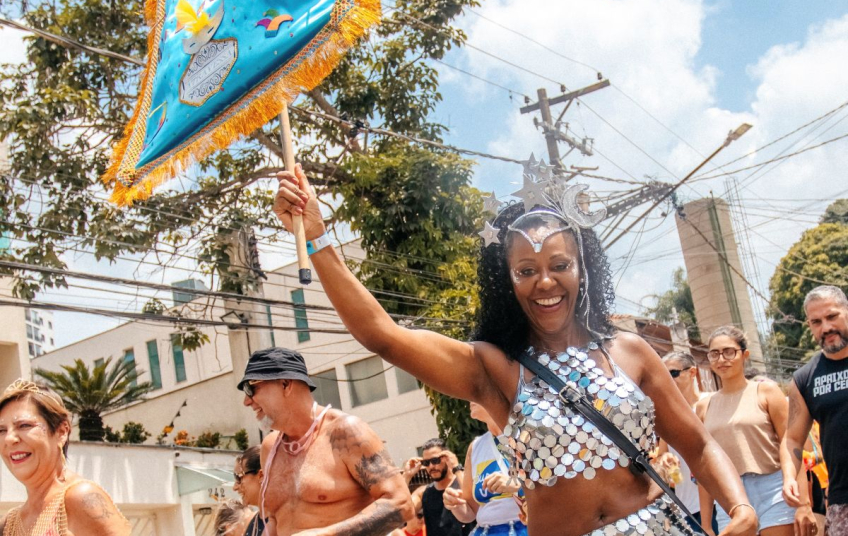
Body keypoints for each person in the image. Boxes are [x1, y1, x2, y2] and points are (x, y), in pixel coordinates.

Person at [271, 163, 756, 536]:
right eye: (526, 271)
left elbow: (698, 444)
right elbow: (383, 335)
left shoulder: (629, 351)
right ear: (507, 282)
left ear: (581, 269)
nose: (545, 282)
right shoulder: (493, 366)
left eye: (559, 264)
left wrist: (741, 507)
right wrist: (318, 237)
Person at [238, 347, 414, 535]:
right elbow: (276, 518)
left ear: (285, 384)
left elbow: (401, 504)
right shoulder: (270, 447)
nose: (247, 401)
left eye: (252, 388)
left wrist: (324, 534)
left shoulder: (345, 432)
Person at [695, 327, 812, 536]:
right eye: (714, 353)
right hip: (730, 497)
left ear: (744, 355)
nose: (721, 359)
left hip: (773, 488)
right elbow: (705, 465)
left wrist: (803, 502)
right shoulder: (704, 407)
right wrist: (705, 524)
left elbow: (791, 442)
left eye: (729, 351)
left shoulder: (766, 392)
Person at [0, 379, 131, 536]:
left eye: (24, 425)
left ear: (61, 432)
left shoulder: (81, 498)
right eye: (1, 430)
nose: (9, 439)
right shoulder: (8, 525)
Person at [781, 285, 848, 536]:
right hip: (843, 500)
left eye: (832, 316)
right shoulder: (804, 379)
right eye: (816, 322)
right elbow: (793, 439)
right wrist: (789, 476)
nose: (826, 328)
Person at [443, 402, 527, 536]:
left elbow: (557, 488)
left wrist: (518, 486)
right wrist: (455, 505)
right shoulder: (475, 446)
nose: (470, 398)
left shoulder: (528, 436)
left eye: (477, 391)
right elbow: (470, 513)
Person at [654, 352, 715, 535]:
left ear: (692, 372)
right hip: (686, 508)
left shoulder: (711, 403)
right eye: (664, 375)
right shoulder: (670, 415)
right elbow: (660, 460)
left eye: (673, 373)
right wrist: (664, 460)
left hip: (718, 506)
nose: (669, 380)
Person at [404, 439, 474, 536]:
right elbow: (403, 513)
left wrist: (456, 467)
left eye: (435, 460)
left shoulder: (462, 483)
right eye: (426, 463)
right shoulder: (423, 492)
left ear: (447, 458)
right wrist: (406, 476)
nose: (431, 466)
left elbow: (473, 501)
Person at [233, 446, 265, 536]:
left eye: (239, 476)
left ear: (261, 476)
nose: (234, 487)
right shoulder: (254, 523)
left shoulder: (284, 522)